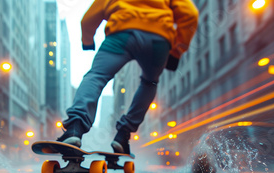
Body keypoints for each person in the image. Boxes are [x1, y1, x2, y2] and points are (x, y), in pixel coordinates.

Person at [56, 0, 199, 155]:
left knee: (96, 76)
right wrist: (177, 51)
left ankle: (75, 128)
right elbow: (190, 14)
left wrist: (88, 40)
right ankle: (123, 135)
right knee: (149, 82)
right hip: (158, 40)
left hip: (121, 35)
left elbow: (89, 18)